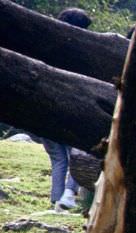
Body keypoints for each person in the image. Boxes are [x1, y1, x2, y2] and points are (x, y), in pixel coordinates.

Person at [44, 7, 92, 211]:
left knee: (58, 157)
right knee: (79, 155)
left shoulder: (47, 46)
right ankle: (68, 195)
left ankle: (57, 201)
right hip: (69, 111)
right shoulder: (80, 52)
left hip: (43, 110)